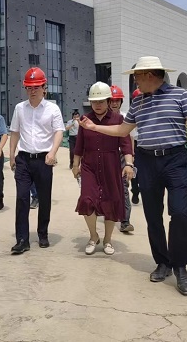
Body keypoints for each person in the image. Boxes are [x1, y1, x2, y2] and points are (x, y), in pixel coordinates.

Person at [79, 56, 187, 296]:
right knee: (153, 215)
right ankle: (162, 262)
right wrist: (94, 127)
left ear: (149, 75)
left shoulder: (180, 96)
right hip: (147, 160)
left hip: (175, 160)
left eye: (137, 77)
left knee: (180, 213)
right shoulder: (138, 102)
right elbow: (123, 130)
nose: (135, 82)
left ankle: (180, 267)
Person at [72, 82, 134, 256]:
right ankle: (93, 237)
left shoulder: (118, 120)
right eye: (94, 102)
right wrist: (75, 165)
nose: (97, 105)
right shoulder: (85, 119)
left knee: (111, 201)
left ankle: (107, 240)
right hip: (89, 165)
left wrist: (128, 164)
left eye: (101, 101)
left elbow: (126, 144)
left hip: (111, 165)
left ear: (108, 101)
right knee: (86, 200)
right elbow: (79, 145)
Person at [8, 67, 65, 254]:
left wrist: (53, 152)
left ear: (43, 88)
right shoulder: (20, 108)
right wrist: (12, 154)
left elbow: (58, 132)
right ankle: (22, 239)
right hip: (24, 159)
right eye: (29, 88)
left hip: (43, 160)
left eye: (36, 87)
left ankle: (43, 233)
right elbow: (15, 132)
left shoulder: (52, 109)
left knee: (44, 198)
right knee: (22, 198)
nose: (32, 91)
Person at [109, 85, 135, 233]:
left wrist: (131, 160)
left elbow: (130, 139)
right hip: (107, 156)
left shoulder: (126, 118)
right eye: (112, 100)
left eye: (117, 100)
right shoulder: (102, 119)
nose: (114, 103)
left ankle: (125, 221)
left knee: (123, 187)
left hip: (122, 157)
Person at [130, 88, 142, 204]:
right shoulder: (131, 114)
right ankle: (135, 191)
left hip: (147, 145)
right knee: (135, 171)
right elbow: (130, 136)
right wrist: (132, 152)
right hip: (135, 145)